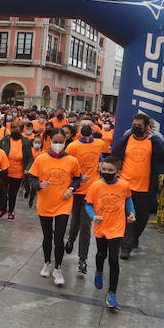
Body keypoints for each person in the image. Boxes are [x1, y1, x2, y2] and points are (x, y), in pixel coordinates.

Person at [30, 127, 82, 287]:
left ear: (65, 142)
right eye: (55, 142)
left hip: (63, 203)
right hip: (45, 202)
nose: (58, 145)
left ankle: (58, 268)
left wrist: (71, 188)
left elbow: (78, 179)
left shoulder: (72, 160)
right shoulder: (40, 159)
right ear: (49, 141)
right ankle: (47, 262)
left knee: (59, 238)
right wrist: (38, 184)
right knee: (47, 236)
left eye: (61, 142)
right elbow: (31, 180)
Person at [109, 112, 164, 259]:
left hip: (144, 187)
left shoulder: (153, 142)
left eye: (139, 126)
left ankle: (134, 238)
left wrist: (156, 141)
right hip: (126, 185)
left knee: (142, 217)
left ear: (147, 127)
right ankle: (125, 247)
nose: (136, 128)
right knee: (129, 216)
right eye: (134, 125)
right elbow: (115, 154)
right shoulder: (127, 139)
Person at [86, 157, 137, 309]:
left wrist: (132, 213)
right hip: (101, 225)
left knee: (113, 259)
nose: (107, 173)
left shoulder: (123, 186)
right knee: (101, 254)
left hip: (117, 226)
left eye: (110, 171)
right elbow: (88, 205)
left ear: (118, 172)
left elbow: (128, 201)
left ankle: (112, 293)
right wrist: (93, 216)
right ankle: (99, 270)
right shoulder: (95, 186)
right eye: (104, 170)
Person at [63, 117, 104, 274]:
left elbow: (99, 157)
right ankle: (71, 239)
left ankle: (82, 260)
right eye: (83, 125)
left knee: (86, 225)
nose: (86, 127)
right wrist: (78, 176)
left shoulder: (99, 144)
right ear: (79, 128)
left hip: (92, 191)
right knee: (75, 220)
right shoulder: (73, 146)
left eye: (89, 125)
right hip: (77, 190)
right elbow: (67, 166)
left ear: (93, 128)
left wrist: (100, 165)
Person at [0, 119, 32, 220]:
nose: (15, 131)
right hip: (5, 170)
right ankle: (2, 209)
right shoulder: (5, 140)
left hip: (18, 172)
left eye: (17, 129)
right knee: (3, 191)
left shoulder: (25, 142)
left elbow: (30, 157)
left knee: (13, 193)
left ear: (21, 130)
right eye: (13, 128)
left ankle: (11, 211)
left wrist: (27, 168)